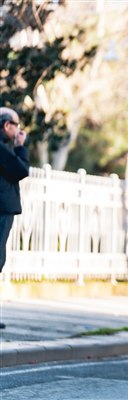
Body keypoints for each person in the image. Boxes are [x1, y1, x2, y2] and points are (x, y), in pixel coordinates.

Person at [0, 107, 29, 330]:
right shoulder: (1, 149)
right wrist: (20, 146)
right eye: (16, 125)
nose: (18, 130)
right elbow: (21, 170)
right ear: (6, 125)